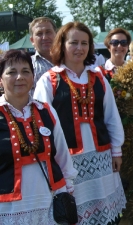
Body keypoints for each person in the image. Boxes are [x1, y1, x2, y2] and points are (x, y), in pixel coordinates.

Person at [33, 22, 126, 224]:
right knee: (74, 212)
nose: (79, 48)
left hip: (101, 157)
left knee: (106, 213)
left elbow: (111, 115)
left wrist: (116, 150)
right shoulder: (49, 81)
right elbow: (42, 125)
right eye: (73, 42)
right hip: (68, 160)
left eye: (84, 43)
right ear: (62, 45)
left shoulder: (98, 77)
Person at [0, 49, 77, 224]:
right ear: (1, 80)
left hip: (48, 200)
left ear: (33, 77)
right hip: (8, 206)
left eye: (25, 71)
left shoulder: (46, 111)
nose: (19, 77)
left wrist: (67, 189)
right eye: (11, 72)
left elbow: (62, 156)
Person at [29, 17, 56, 96]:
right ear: (32, 40)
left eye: (48, 32)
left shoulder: (70, 61)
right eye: (39, 34)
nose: (45, 37)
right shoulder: (28, 65)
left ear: (57, 35)